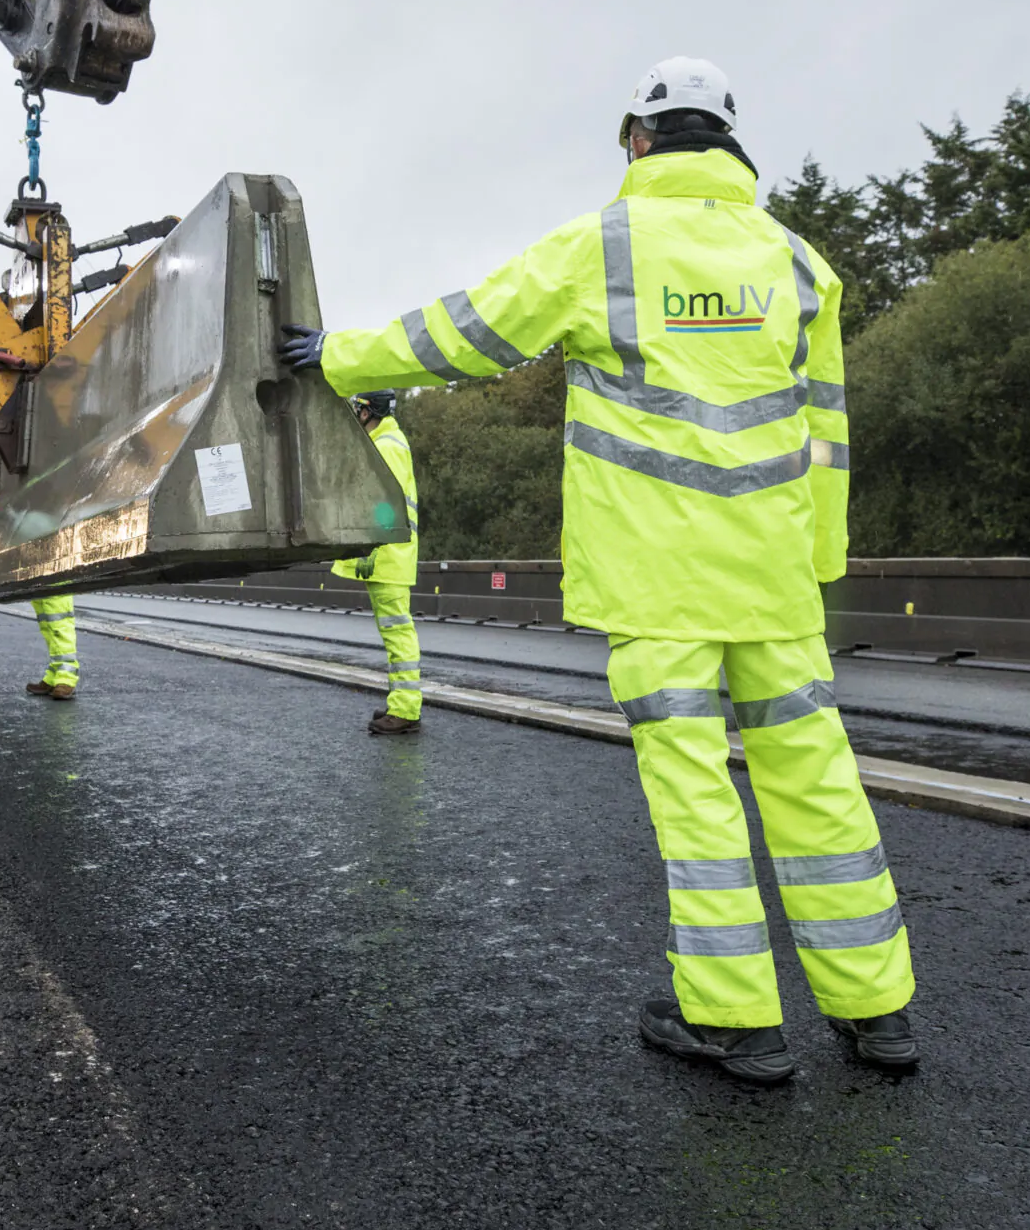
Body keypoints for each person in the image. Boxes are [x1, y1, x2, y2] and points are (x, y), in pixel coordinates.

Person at [278, 57, 916, 1085]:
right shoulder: (800, 265)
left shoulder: (604, 248)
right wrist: (818, 563)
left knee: (694, 791)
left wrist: (341, 357)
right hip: (774, 580)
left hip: (659, 582)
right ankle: (877, 1010)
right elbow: (827, 436)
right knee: (817, 781)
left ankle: (737, 1020)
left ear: (636, 139)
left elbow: (466, 331)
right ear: (730, 140)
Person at [333, 391, 424, 734]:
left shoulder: (387, 445)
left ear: (371, 411)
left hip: (388, 557)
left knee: (398, 634)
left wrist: (371, 548)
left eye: (359, 409)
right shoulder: (387, 440)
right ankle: (401, 702)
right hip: (391, 556)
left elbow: (386, 503)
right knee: (395, 634)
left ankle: (405, 711)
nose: (357, 415)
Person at [26, 595, 78, 699]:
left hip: (57, 584)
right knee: (47, 627)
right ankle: (53, 677)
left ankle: (66, 679)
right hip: (40, 583)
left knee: (59, 626)